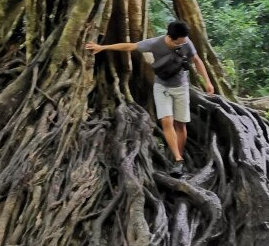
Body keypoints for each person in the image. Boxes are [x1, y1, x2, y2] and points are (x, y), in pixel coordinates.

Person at [85, 20, 214, 172]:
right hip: (162, 87)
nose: (182, 44)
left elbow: (197, 60)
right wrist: (103, 47)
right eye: (179, 42)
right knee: (167, 121)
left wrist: (208, 82)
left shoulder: (186, 42)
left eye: (184, 41)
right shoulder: (155, 44)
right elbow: (130, 46)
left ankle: (179, 159)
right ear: (170, 38)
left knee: (180, 125)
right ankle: (178, 159)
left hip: (181, 88)